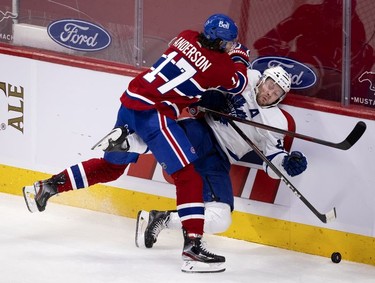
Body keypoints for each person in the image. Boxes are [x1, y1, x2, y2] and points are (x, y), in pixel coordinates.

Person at [22, 14, 250, 273]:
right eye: (229, 43)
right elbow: (238, 83)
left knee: (112, 168)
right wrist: (240, 56)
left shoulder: (185, 35)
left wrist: (197, 93)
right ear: (220, 43)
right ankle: (192, 250)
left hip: (130, 101)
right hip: (154, 113)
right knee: (189, 177)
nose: (231, 46)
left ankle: (48, 186)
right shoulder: (220, 65)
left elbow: (190, 72)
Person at [120, 66, 307, 249]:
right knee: (177, 138)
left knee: (221, 219)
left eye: (276, 92)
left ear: (280, 98)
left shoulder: (276, 121)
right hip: (202, 131)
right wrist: (209, 95)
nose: (269, 92)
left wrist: (285, 164)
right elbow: (207, 79)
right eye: (269, 85)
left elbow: (272, 163)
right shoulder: (246, 78)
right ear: (262, 80)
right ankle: (127, 142)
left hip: (219, 159)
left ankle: (160, 219)